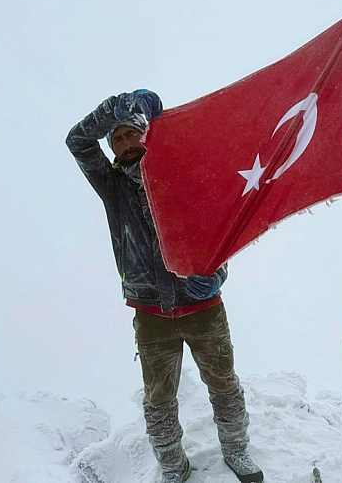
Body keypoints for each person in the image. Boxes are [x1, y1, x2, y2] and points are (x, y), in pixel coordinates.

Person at [65, 90, 263, 483]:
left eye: (129, 134)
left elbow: (217, 232)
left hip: (204, 308)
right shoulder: (112, 187)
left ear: (145, 134)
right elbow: (78, 141)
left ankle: (237, 452)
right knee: (158, 401)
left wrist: (217, 274)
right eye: (115, 139)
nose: (122, 143)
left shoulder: (181, 174)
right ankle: (174, 467)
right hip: (150, 315)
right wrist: (113, 109)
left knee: (224, 386)